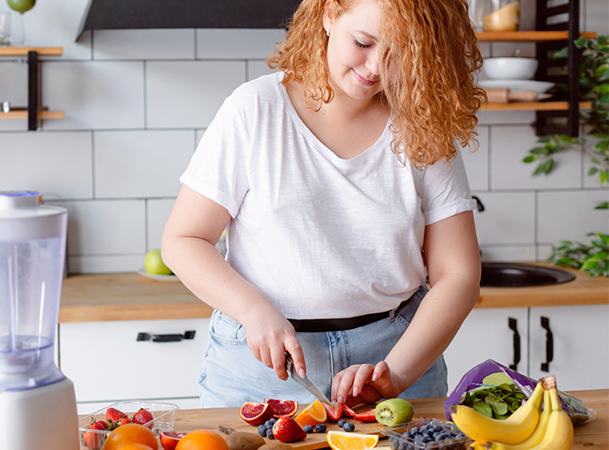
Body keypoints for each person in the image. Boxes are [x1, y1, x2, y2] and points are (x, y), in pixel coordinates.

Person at [161, 0, 484, 408]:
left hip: (396, 353)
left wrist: (395, 373)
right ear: (330, 15)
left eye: (399, 53)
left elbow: (459, 273)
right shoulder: (255, 109)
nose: (375, 69)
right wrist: (252, 308)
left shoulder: (422, 124)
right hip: (262, 362)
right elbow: (183, 239)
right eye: (363, 42)